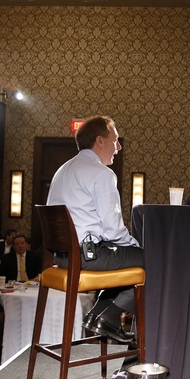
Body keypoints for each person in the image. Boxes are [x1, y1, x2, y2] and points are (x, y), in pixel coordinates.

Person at [46, 116, 145, 343]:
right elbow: (113, 231)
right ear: (100, 141)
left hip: (62, 258)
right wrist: (137, 248)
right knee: (155, 261)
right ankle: (107, 316)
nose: (118, 147)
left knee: (130, 261)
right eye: (115, 140)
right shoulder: (101, 174)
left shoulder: (62, 170)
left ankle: (99, 316)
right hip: (87, 256)